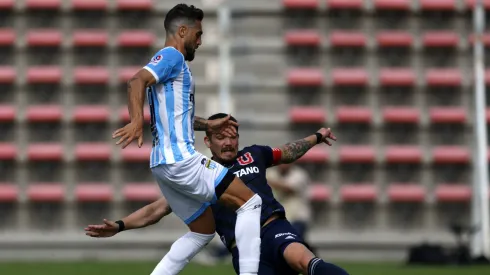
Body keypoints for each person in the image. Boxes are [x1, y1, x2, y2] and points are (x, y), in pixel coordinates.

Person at [88, 113, 349, 275]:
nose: (228, 142)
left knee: (304, 260)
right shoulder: (198, 174)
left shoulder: (253, 154)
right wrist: (120, 225)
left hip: (273, 229)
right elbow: (157, 209)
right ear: (207, 142)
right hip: (244, 251)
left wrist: (316, 137)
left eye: (233, 136)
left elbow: (288, 151)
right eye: (221, 136)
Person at [111, 5, 262, 275]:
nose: (200, 41)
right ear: (182, 31)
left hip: (162, 166)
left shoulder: (175, 69)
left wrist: (208, 124)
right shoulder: (172, 56)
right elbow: (136, 81)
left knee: (203, 231)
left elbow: (177, 116)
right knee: (251, 202)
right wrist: (136, 120)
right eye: (198, 34)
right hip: (180, 160)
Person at [267, 164, 312, 241]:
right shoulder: (270, 173)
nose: (283, 164)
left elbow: (288, 188)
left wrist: (266, 180)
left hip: (297, 217)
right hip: (277, 217)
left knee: (293, 242)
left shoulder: (299, 174)